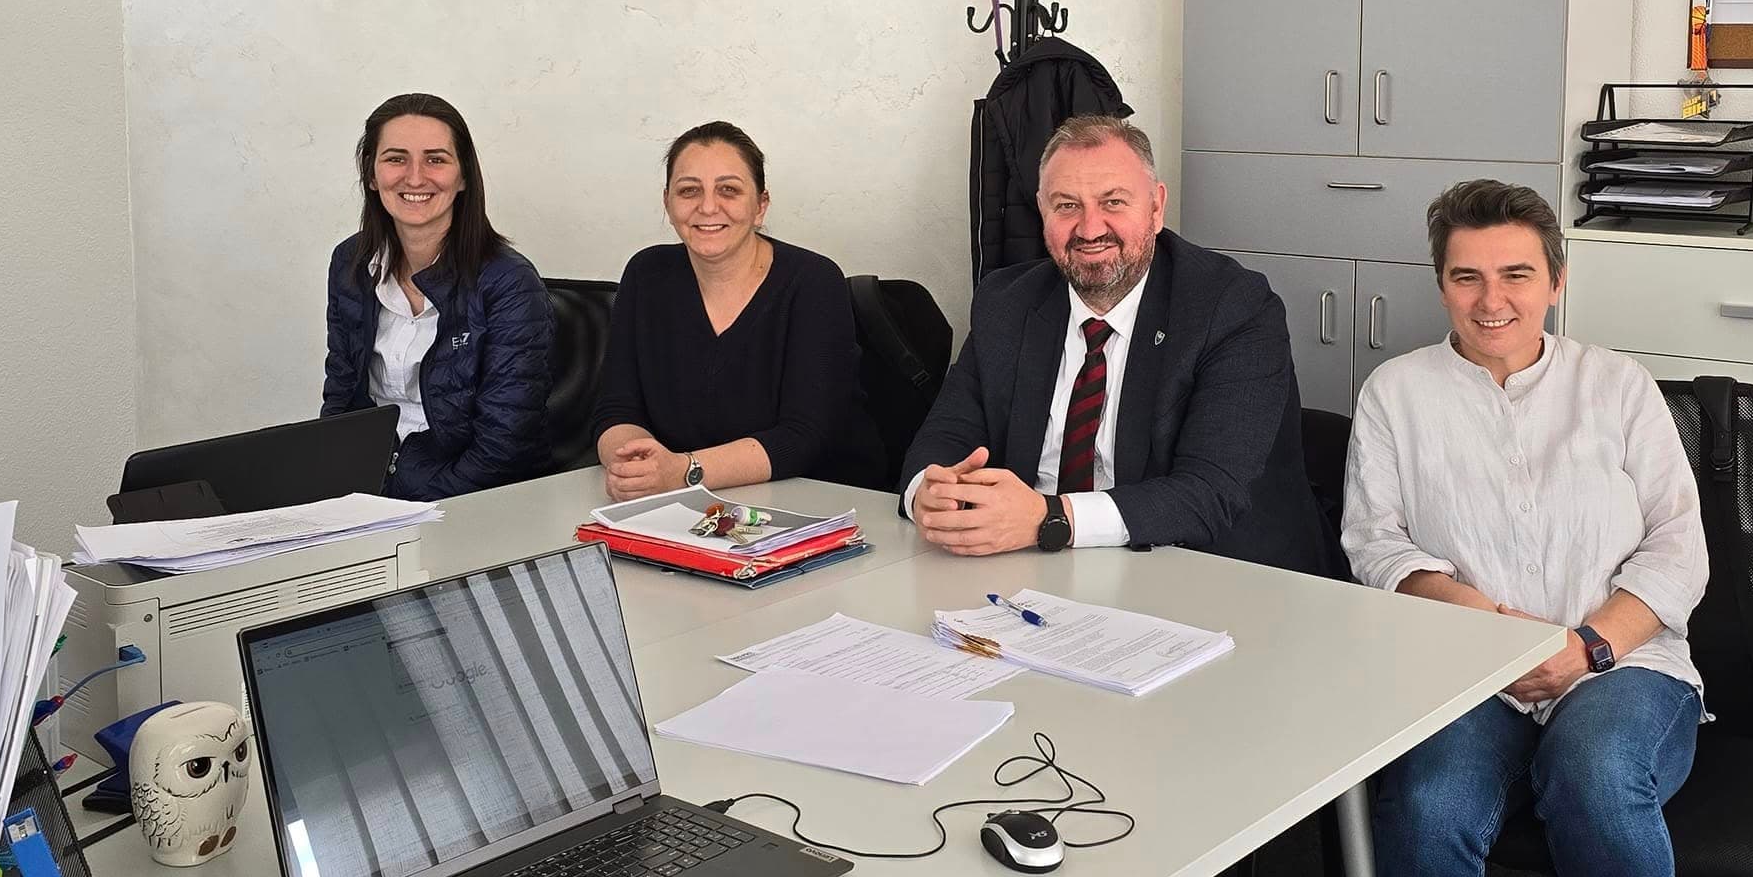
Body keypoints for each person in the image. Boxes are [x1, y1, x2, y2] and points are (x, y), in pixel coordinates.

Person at [1341, 179, 1709, 877]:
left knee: (1597, 773)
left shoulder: (1617, 386)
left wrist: (1586, 647)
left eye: (1516, 274)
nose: (1492, 300)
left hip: (1621, 664)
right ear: (1441, 284)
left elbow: (1679, 546)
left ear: (1556, 280)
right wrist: (1480, 625)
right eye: (1466, 276)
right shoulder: (1396, 393)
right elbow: (1375, 543)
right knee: (1428, 808)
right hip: (1468, 671)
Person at [902, 115, 1329, 573]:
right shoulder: (1006, 301)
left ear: (1156, 207)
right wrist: (930, 492)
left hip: (1208, 573)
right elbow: (946, 435)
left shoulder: (1233, 307)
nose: (1090, 229)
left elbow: (1210, 492)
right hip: (1031, 569)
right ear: (1042, 210)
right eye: (1067, 206)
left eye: (1113, 202)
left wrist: (1049, 518)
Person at [592, 121, 882, 497]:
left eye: (728, 189)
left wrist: (682, 472)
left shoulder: (814, 281)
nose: (707, 206)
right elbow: (616, 409)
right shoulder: (646, 274)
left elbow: (804, 437)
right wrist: (635, 467)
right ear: (667, 203)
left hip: (817, 502)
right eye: (689, 190)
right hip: (682, 505)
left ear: (760, 206)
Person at [323, 93, 553, 499]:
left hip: (466, 498)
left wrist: (414, 507)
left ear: (463, 177)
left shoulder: (510, 282)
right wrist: (334, 489)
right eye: (396, 159)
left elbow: (503, 447)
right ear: (372, 175)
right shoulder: (351, 263)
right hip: (369, 487)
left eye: (435, 159)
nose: (415, 178)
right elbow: (341, 398)